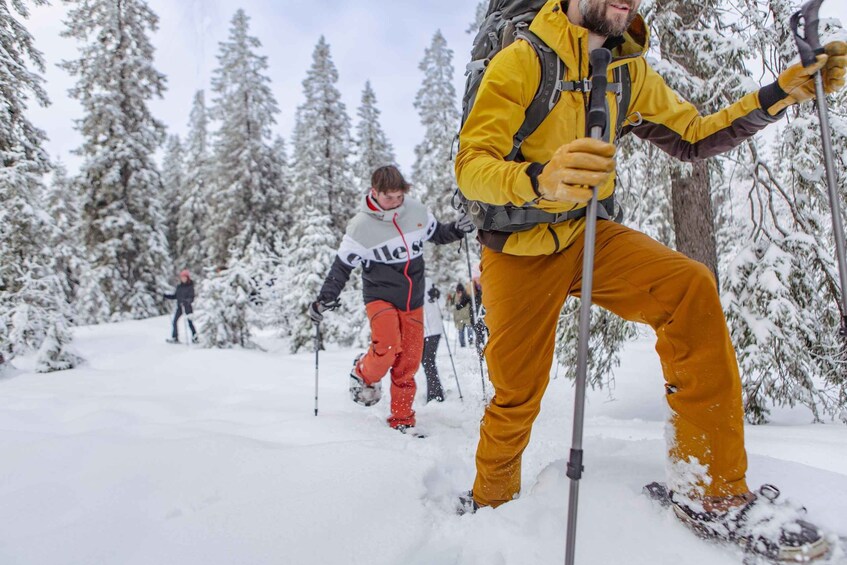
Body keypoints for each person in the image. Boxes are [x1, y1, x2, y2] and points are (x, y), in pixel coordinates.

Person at [454, 0, 846, 559]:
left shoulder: (626, 70)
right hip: (517, 250)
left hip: (589, 235)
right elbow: (472, 166)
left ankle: (712, 495)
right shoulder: (522, 61)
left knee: (688, 287)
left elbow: (692, 135)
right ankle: (490, 508)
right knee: (517, 393)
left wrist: (780, 93)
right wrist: (542, 179)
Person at [309, 165, 474, 432]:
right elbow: (341, 268)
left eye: (399, 197)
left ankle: (402, 419)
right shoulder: (360, 227)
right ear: (374, 193)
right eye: (389, 198)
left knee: (408, 362)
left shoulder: (416, 212)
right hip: (380, 296)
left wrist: (457, 228)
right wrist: (324, 299)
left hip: (413, 299)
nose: (395, 203)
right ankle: (362, 372)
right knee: (387, 347)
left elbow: (438, 234)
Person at [422, 277, 445, 403]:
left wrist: (437, 295)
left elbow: (441, 303)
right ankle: (434, 390)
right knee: (424, 362)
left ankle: (436, 395)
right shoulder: (406, 285)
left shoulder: (428, 281)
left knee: (428, 361)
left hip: (434, 330)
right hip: (420, 331)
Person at [164, 270, 197, 344]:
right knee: (175, 321)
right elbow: (176, 296)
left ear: (187, 278)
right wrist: (167, 296)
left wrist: (186, 301)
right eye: (182, 277)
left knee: (190, 322)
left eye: (184, 277)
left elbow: (191, 297)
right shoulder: (179, 286)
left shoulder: (190, 286)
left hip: (187, 307)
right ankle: (175, 337)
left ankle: (195, 337)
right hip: (180, 306)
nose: (183, 279)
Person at [451, 283, 473, 348]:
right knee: (460, 332)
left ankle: (471, 342)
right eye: (458, 291)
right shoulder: (454, 296)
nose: (459, 293)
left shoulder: (467, 296)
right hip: (459, 318)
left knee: (469, 329)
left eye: (461, 291)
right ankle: (462, 344)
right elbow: (450, 305)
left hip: (467, 317)